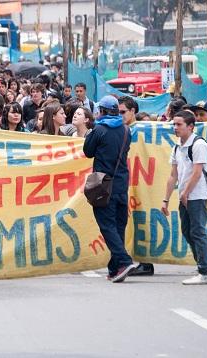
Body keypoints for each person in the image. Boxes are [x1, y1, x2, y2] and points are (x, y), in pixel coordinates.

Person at [83, 96, 137, 283]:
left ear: (103, 111)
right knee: (118, 226)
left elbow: (88, 151)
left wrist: (90, 134)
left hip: (103, 185)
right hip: (122, 183)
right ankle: (115, 269)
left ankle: (124, 260)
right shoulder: (126, 130)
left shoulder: (99, 130)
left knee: (107, 225)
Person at [162, 110, 207, 285]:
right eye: (174, 124)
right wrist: (166, 199)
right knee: (187, 230)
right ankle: (205, 264)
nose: (175, 127)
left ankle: (204, 272)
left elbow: (198, 172)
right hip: (184, 196)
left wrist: (186, 193)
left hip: (197, 195)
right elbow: (173, 175)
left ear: (190, 126)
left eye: (179, 124)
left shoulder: (199, 144)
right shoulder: (177, 146)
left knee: (198, 231)